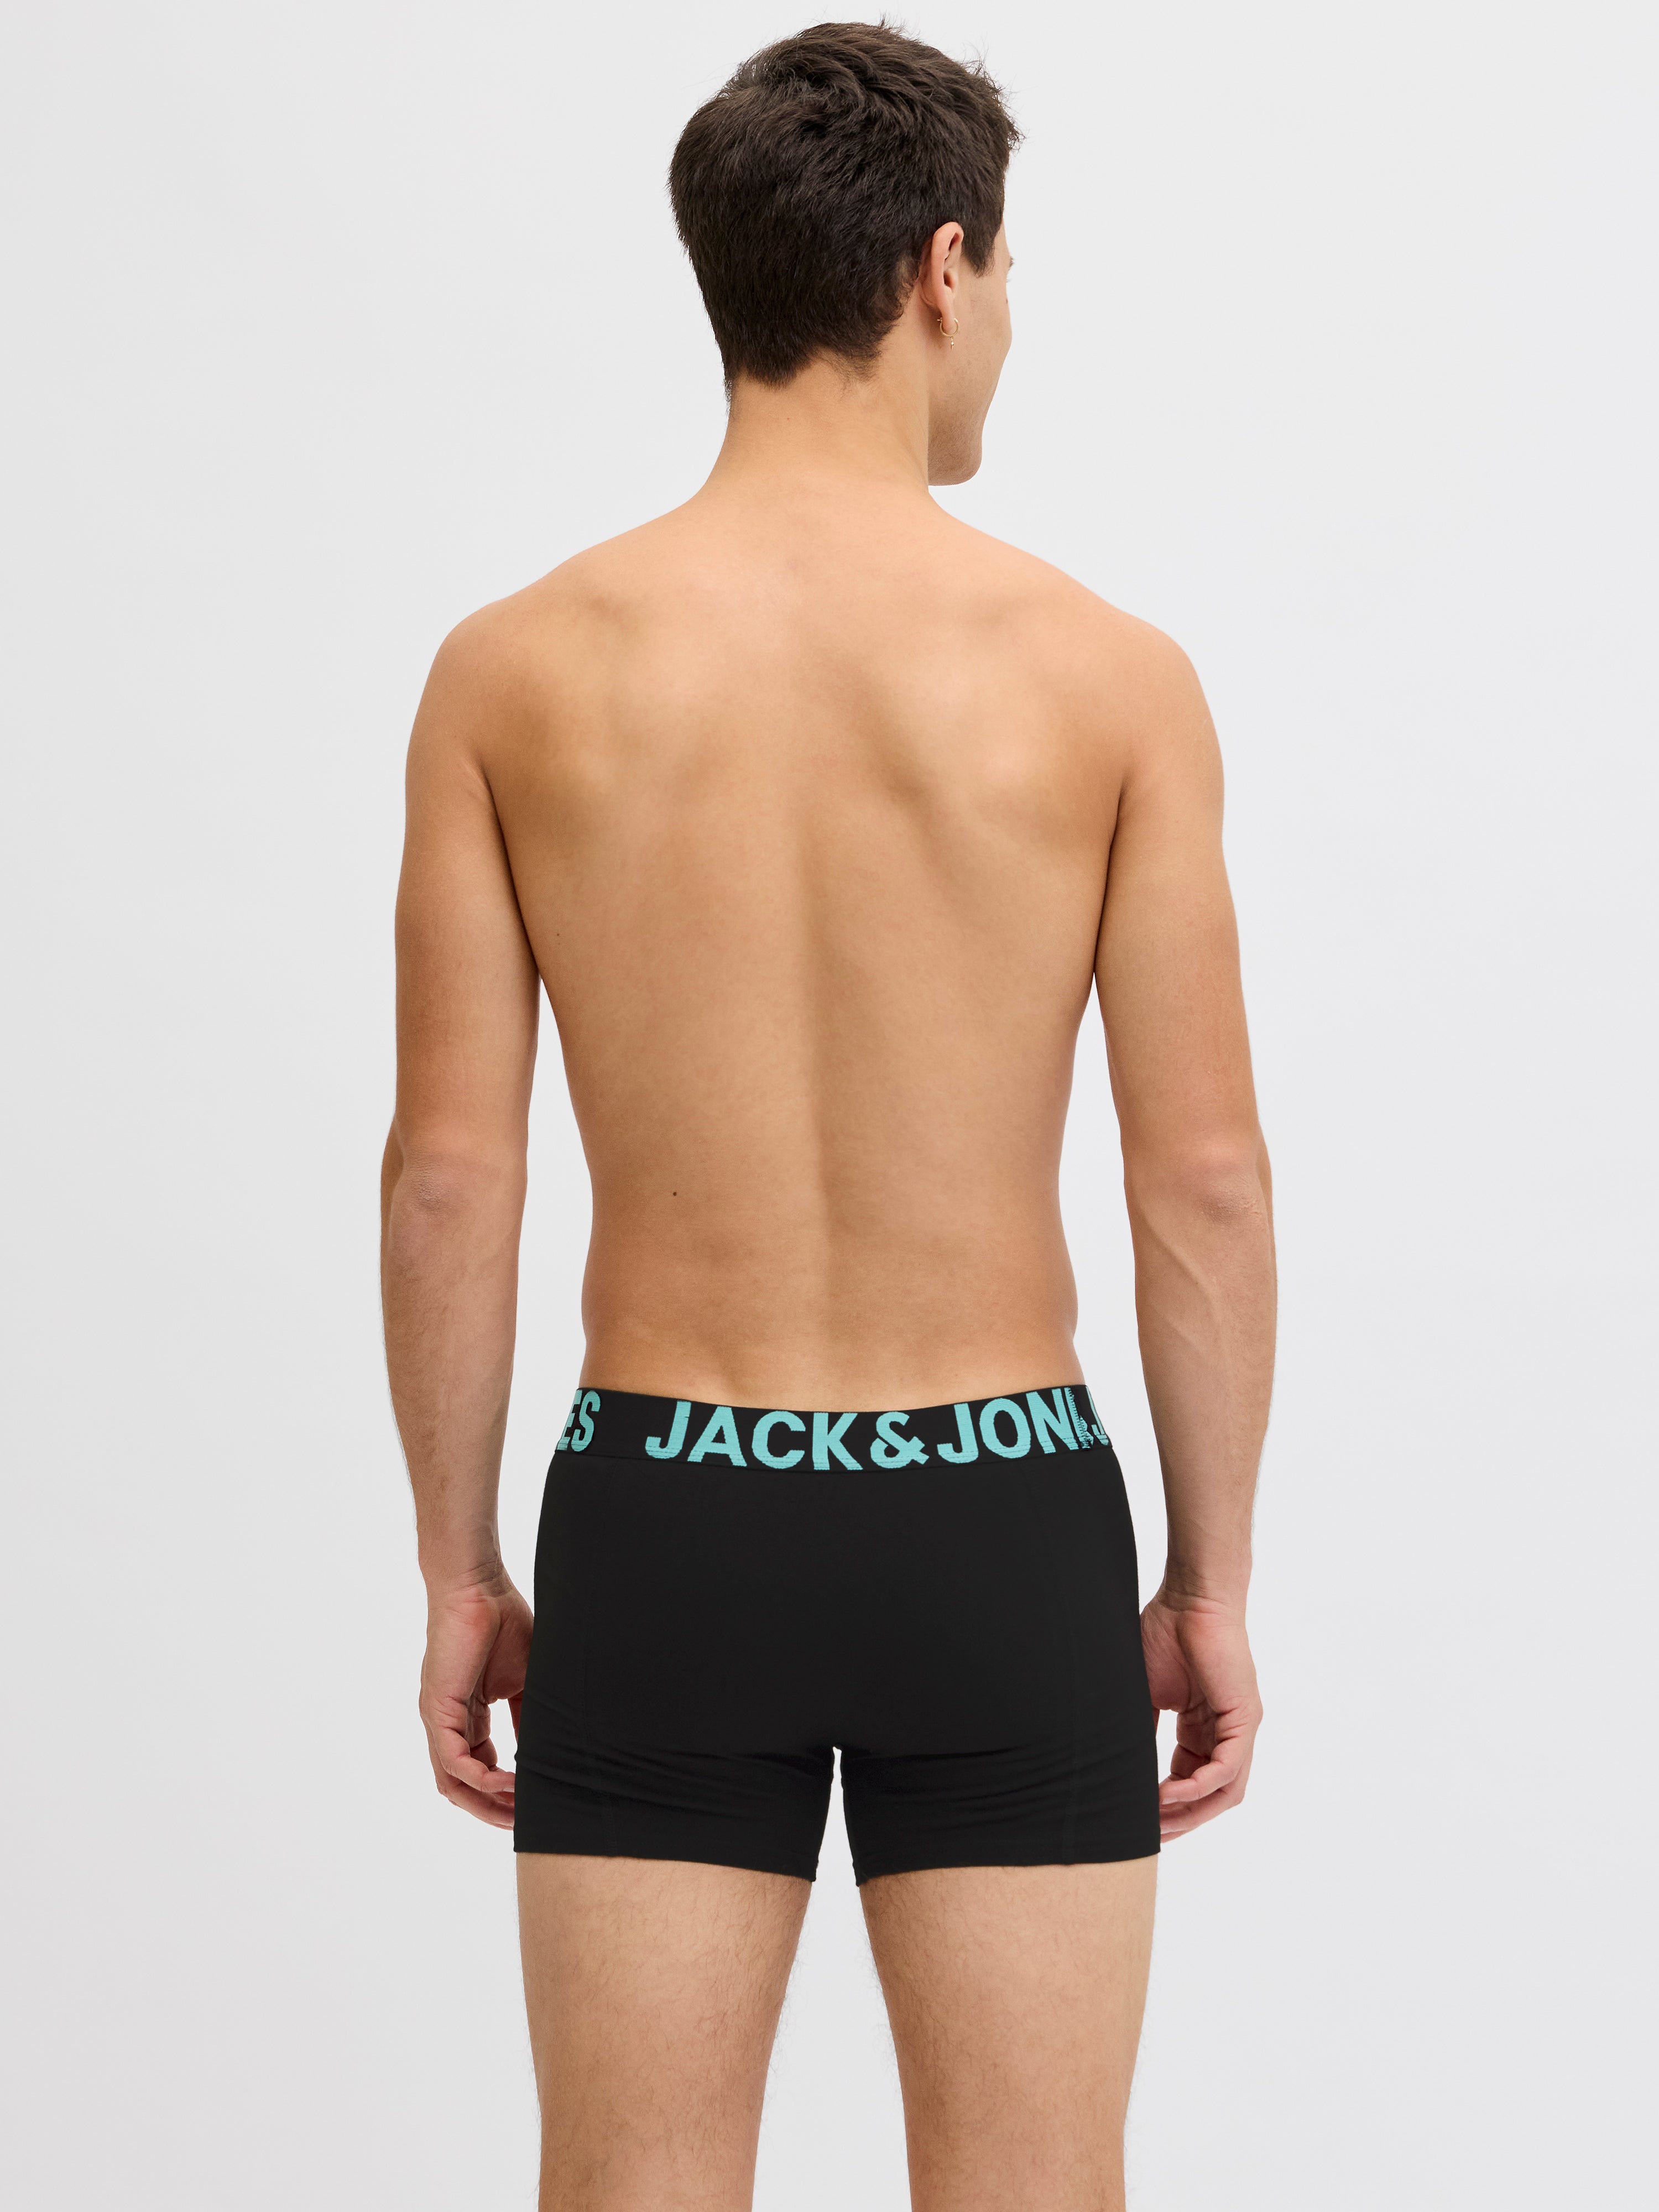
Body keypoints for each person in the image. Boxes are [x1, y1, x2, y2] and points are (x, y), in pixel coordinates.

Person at [380, 20, 1274, 2209]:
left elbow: (451, 1178)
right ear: (942, 267)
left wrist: (461, 1565)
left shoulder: (515, 670)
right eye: (1009, 274)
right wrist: (1209, 1576)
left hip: (667, 1511)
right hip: (1001, 1513)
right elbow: (1202, 1179)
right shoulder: (1107, 676)